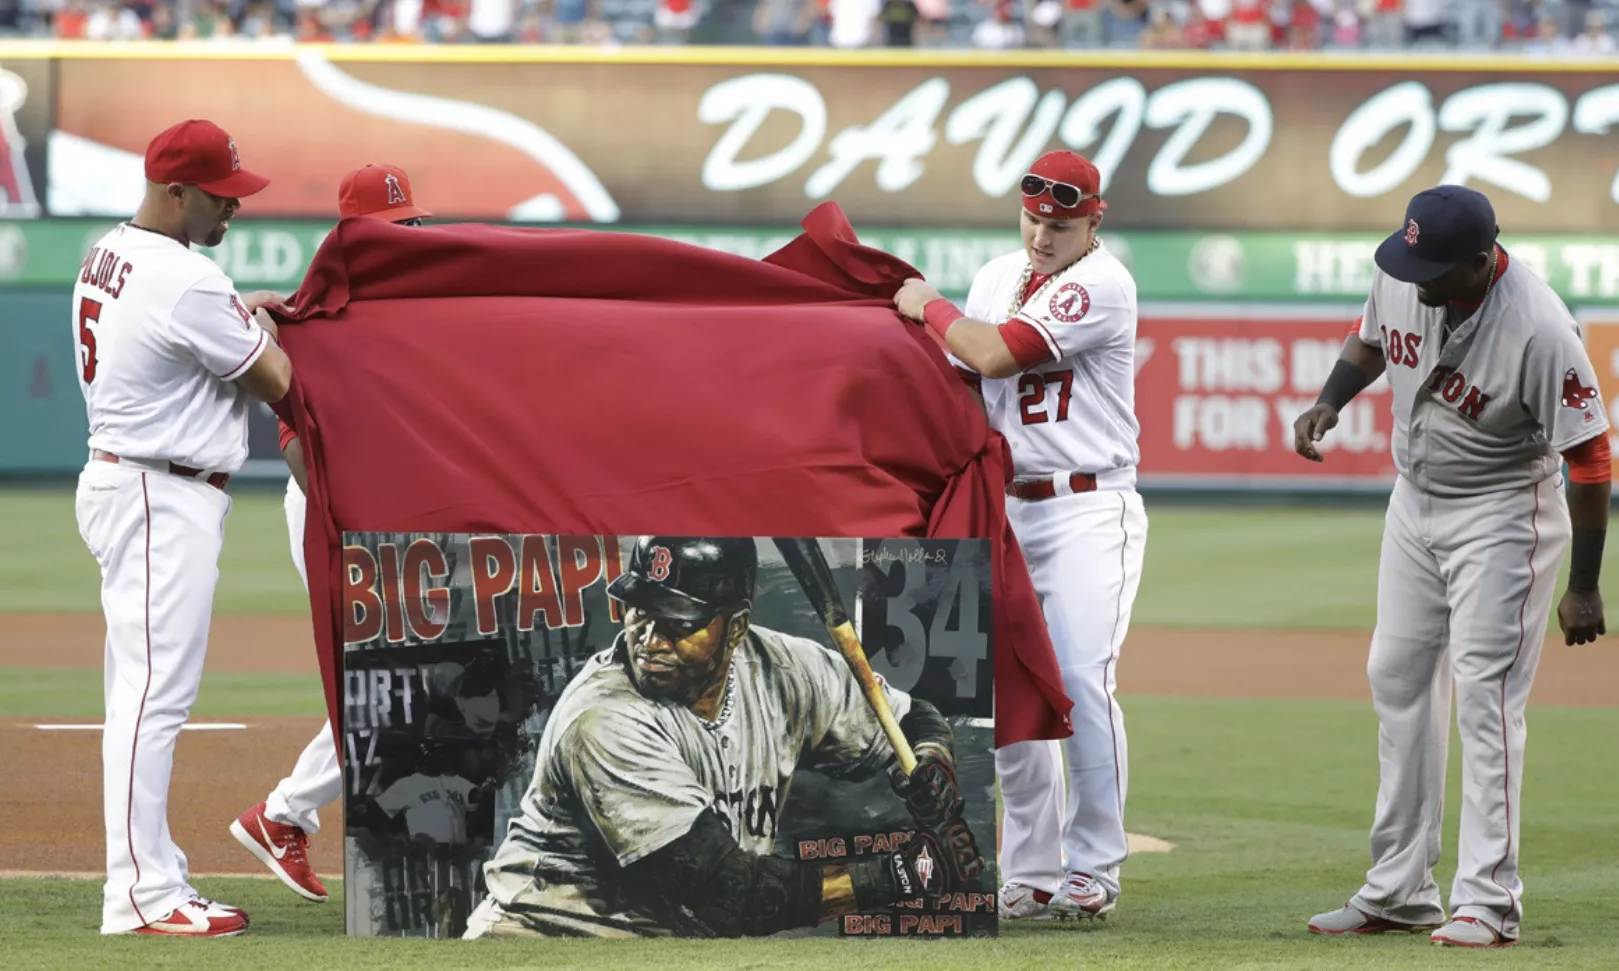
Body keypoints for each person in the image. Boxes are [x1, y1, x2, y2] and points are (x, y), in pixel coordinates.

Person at [1296, 186, 1610, 948]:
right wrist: (1330, 400)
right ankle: (1400, 888)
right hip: (1416, 499)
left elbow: (1591, 457)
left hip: (1505, 511)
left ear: (1481, 261)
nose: (1417, 279)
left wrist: (1586, 584)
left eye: (1435, 268)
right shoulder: (1406, 273)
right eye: (1411, 260)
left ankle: (1490, 899)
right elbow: (1371, 339)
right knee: (1396, 677)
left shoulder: (1539, 326)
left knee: (1486, 698)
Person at [461, 536, 984, 938]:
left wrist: (930, 765)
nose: (648, 638)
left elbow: (915, 719)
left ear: (735, 627)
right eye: (640, 610)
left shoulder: (785, 669)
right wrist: (909, 871)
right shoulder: (603, 720)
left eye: (677, 622)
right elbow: (730, 896)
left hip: (660, 944)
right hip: (542, 936)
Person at [891, 149, 1147, 922]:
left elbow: (993, 350)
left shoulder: (1104, 282)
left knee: (1078, 680)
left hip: (1087, 506)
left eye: (1061, 222)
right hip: (1007, 503)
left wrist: (927, 306)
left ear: (1092, 220)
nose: (1043, 234)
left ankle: (1094, 868)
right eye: (1034, 216)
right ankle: (1031, 870)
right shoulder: (1000, 275)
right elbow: (968, 384)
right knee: (1003, 692)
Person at [74, 118, 293, 937]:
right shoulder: (187, 280)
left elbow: (189, 333)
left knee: (139, 692)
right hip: (159, 492)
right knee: (152, 698)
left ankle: (152, 876)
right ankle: (137, 893)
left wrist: (239, 313)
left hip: (128, 477)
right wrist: (254, 324)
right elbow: (274, 376)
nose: (233, 208)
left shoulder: (109, 249)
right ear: (175, 191)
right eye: (219, 195)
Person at [229, 163, 434, 903]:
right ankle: (283, 813)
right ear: (353, 237)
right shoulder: (316, 313)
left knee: (399, 675)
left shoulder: (418, 303)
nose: (407, 236)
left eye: (411, 223)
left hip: (396, 512)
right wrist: (348, 519)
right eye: (392, 227)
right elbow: (290, 434)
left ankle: (283, 815)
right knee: (390, 678)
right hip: (332, 509)